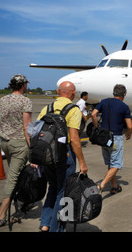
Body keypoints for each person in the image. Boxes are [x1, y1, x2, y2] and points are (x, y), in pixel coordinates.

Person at [38, 81, 88, 232]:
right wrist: (82, 162)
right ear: (73, 94)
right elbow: (74, 139)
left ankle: (45, 224)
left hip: (46, 155)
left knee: (52, 187)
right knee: (63, 191)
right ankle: (56, 228)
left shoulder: (47, 108)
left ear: (58, 91)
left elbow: (36, 132)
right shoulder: (73, 110)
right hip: (64, 155)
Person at [0, 75, 32, 227]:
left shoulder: (2, 100)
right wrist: (32, 147)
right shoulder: (24, 101)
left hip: (5, 144)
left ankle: (21, 201)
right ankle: (1, 215)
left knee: (17, 173)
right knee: (13, 178)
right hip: (19, 145)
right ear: (23, 85)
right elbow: (27, 127)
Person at [91, 84, 132, 195]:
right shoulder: (124, 106)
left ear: (114, 93)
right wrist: (129, 133)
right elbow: (129, 125)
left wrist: (97, 128)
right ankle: (102, 185)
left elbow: (93, 114)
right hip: (115, 138)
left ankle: (114, 186)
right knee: (116, 164)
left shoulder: (104, 102)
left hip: (104, 138)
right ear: (124, 94)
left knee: (110, 163)